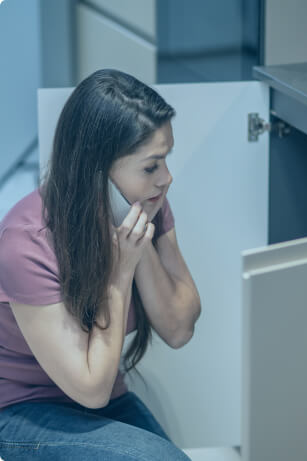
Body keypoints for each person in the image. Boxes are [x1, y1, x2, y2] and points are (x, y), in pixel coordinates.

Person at [0, 68, 201, 460]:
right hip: (21, 409)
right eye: (151, 166)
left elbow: (179, 328)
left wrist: (138, 247)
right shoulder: (26, 244)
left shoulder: (143, 205)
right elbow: (89, 388)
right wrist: (119, 274)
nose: (167, 178)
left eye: (165, 161)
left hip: (103, 392)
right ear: (97, 169)